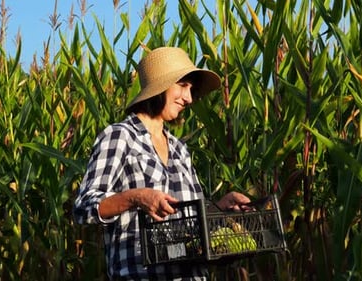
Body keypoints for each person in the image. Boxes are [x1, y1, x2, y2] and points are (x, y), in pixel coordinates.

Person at [73, 46, 251, 280]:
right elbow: (83, 208)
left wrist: (219, 207)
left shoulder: (179, 149)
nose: (188, 98)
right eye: (183, 86)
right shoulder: (120, 137)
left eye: (191, 89)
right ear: (159, 87)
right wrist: (136, 197)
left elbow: (190, 217)